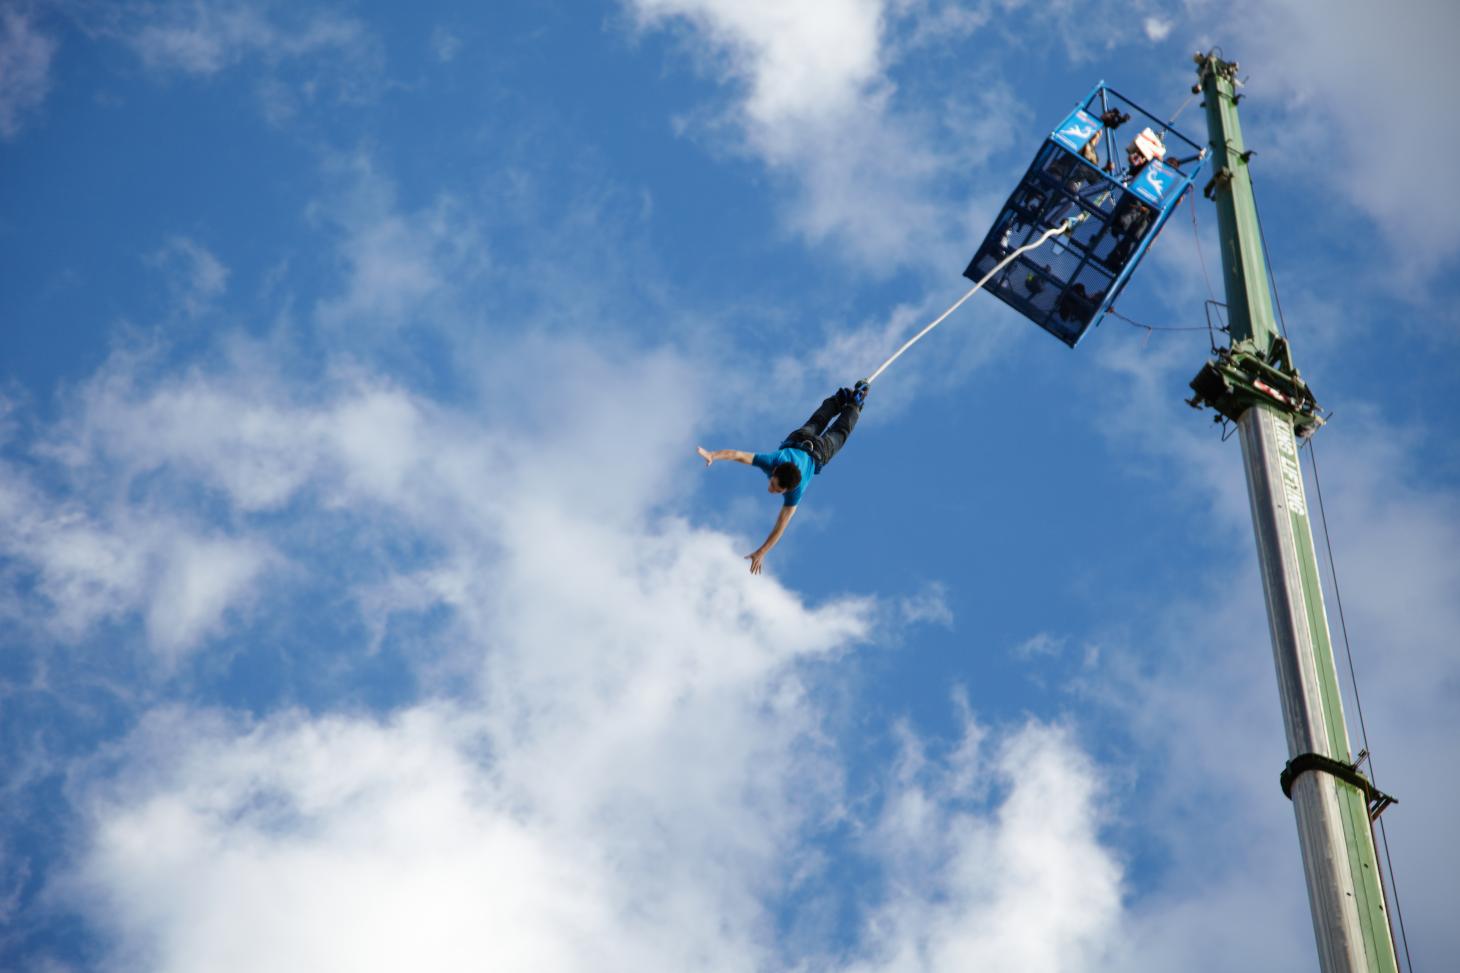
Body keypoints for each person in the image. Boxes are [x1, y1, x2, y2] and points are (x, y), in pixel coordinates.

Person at [697, 382, 868, 574]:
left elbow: (781, 525)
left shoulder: (797, 490)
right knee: (827, 426)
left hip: (811, 449)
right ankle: (848, 401)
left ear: (787, 490)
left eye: (776, 489)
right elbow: (736, 455)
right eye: (773, 484)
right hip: (807, 445)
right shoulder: (772, 461)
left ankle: (850, 402)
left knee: (832, 427)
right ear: (776, 470)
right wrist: (713, 455)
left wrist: (761, 552)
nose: (771, 490)